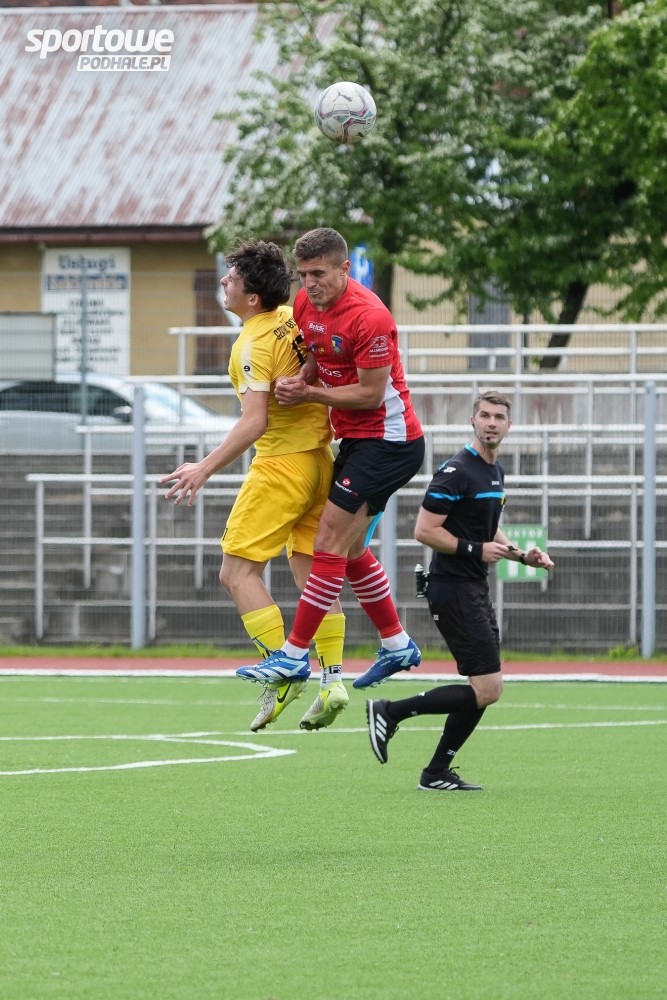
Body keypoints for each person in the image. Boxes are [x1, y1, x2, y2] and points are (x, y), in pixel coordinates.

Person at [160, 239, 348, 733]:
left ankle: (282, 671)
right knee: (312, 573)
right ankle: (333, 679)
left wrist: (203, 468)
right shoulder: (293, 316)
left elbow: (254, 421)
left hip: (282, 467)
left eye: (232, 276)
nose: (223, 281)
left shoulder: (250, 343)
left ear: (251, 297)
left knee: (236, 572)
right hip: (321, 461)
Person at [236, 227, 425, 692]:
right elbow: (316, 357)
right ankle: (397, 643)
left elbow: (370, 394)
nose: (309, 284)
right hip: (357, 441)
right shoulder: (305, 303)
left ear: (345, 268)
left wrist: (308, 395)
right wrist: (304, 377)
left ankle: (293, 655)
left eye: (319, 273)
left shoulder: (370, 317)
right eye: (303, 275)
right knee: (351, 550)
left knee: (327, 543)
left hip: (389, 442)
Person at [365, 390, 555, 791]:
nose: (491, 423)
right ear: (473, 421)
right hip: (452, 588)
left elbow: (488, 529)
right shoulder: (456, 471)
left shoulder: (494, 471)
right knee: (489, 688)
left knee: (484, 689)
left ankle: (436, 772)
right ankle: (390, 712)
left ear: (509, 426)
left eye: (499, 417)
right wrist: (475, 550)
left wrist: (522, 556)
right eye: (484, 415)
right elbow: (424, 530)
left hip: (473, 586)